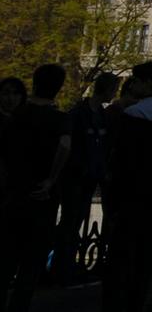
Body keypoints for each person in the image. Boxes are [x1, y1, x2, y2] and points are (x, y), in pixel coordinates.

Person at [101, 62, 152, 312]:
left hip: (131, 194)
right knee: (147, 254)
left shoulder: (133, 116)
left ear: (146, 83)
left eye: (135, 80)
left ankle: (118, 302)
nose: (132, 84)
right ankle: (139, 299)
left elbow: (120, 159)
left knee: (122, 255)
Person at [0, 64, 72, 311]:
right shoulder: (60, 119)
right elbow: (64, 146)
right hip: (42, 198)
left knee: (7, 257)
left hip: (14, 192)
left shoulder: (16, 117)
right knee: (31, 265)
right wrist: (51, 179)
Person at [52, 71, 117, 285]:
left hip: (91, 175)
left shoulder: (100, 114)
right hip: (77, 175)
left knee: (76, 220)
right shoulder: (80, 114)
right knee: (71, 222)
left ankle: (68, 265)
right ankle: (62, 268)